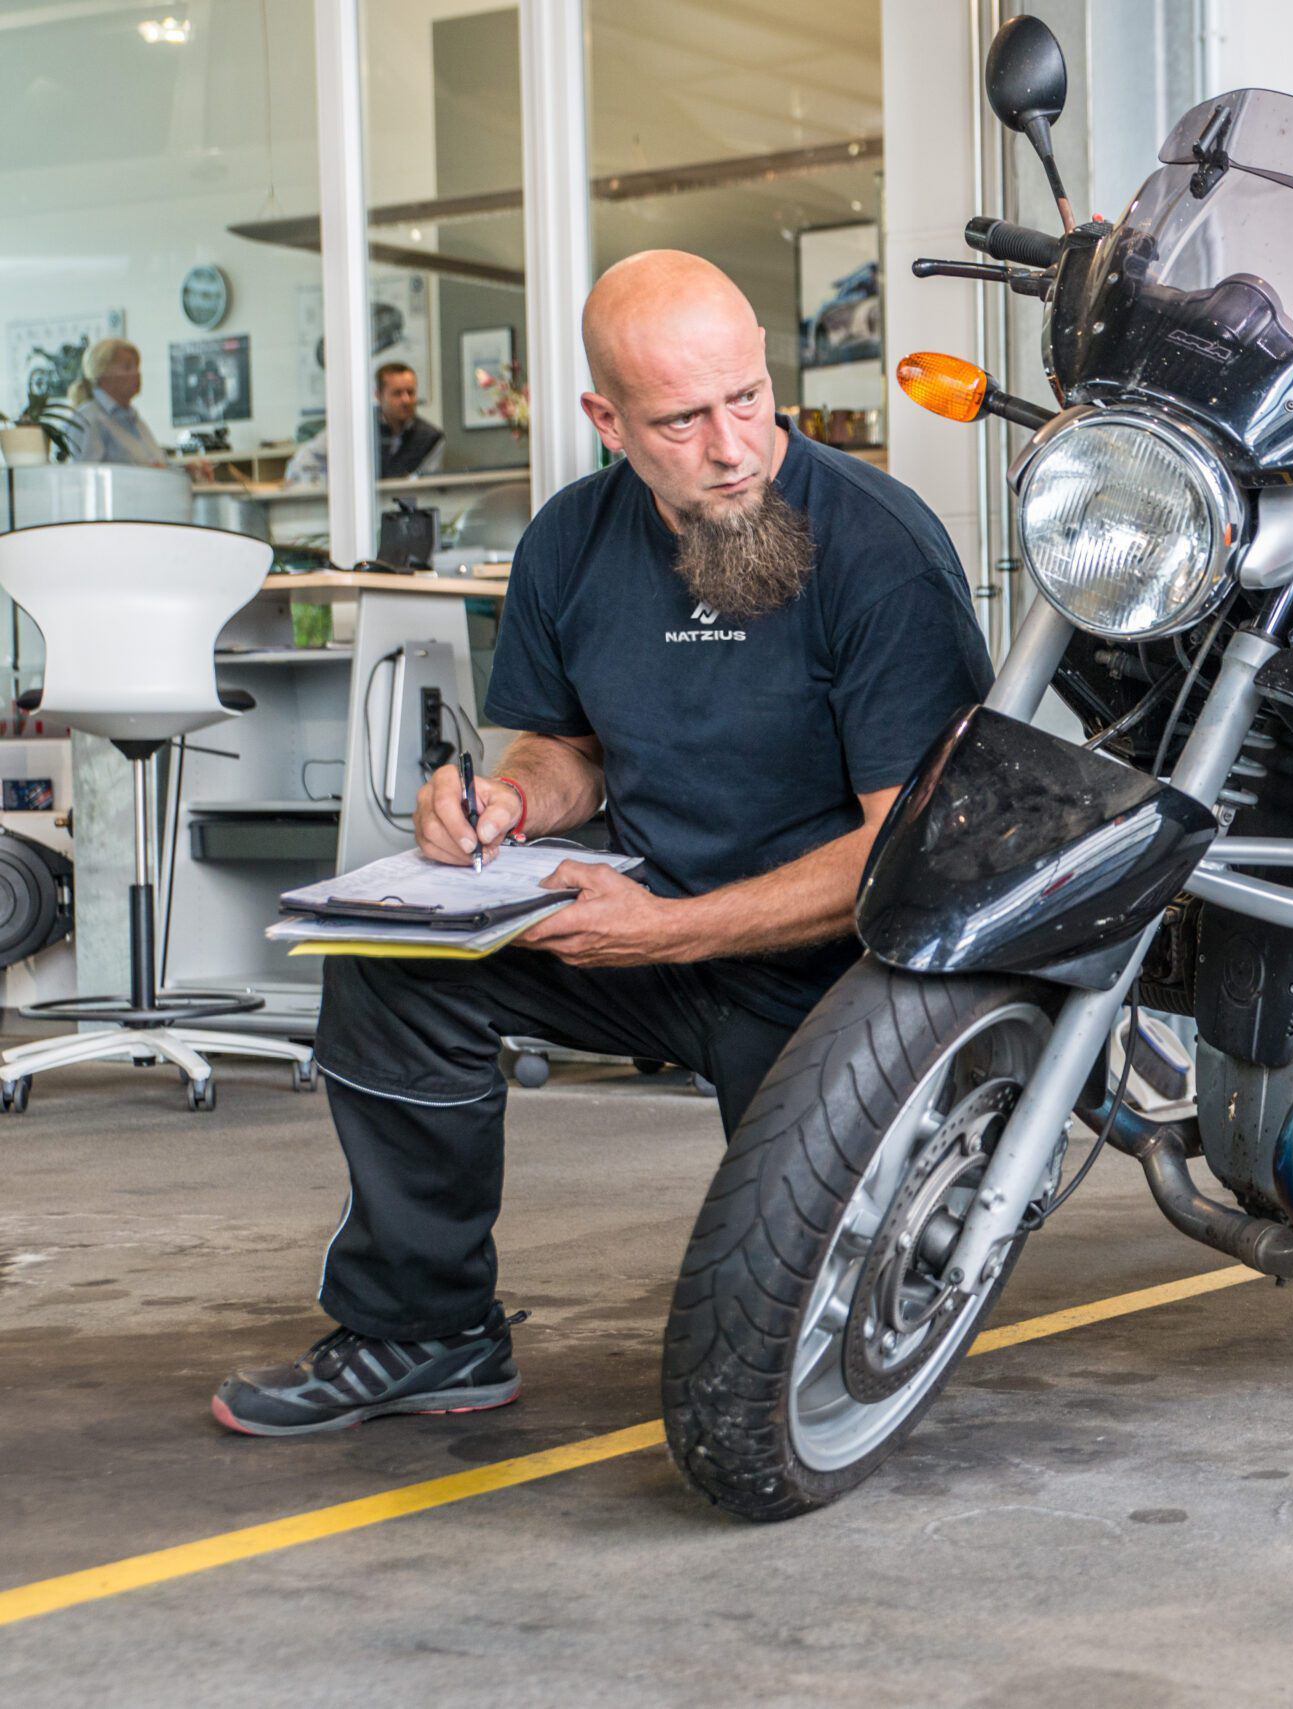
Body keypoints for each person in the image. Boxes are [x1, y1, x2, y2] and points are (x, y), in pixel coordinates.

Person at [213, 251, 994, 1435]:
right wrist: (510, 803)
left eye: (747, 397)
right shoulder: (570, 542)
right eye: (683, 419)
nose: (733, 445)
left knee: (803, 1348)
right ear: (606, 420)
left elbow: (910, 849)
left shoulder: (880, 550)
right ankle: (425, 1332)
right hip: (652, 933)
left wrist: (670, 930)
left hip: (835, 977)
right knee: (391, 965)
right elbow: (566, 752)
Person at [282, 361, 446, 484]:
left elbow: (425, 488)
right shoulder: (356, 428)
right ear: (379, 395)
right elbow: (303, 461)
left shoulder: (431, 438)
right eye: (397, 393)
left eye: (410, 392)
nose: (406, 400)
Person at [64, 338, 169, 466]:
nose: (137, 374)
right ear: (102, 373)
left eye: (137, 367)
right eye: (127, 367)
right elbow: (86, 477)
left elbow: (157, 462)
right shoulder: (88, 419)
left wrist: (183, 469)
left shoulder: (134, 418)